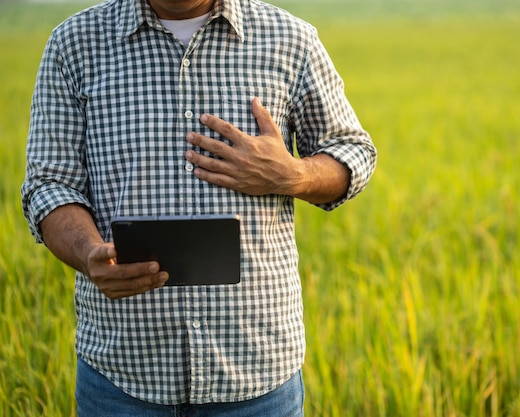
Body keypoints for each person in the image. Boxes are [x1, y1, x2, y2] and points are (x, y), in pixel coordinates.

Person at [21, 0, 376, 415]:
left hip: (258, 375)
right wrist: (87, 253)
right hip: (121, 378)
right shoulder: (74, 44)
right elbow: (49, 183)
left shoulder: (291, 38)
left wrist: (291, 174)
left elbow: (354, 152)